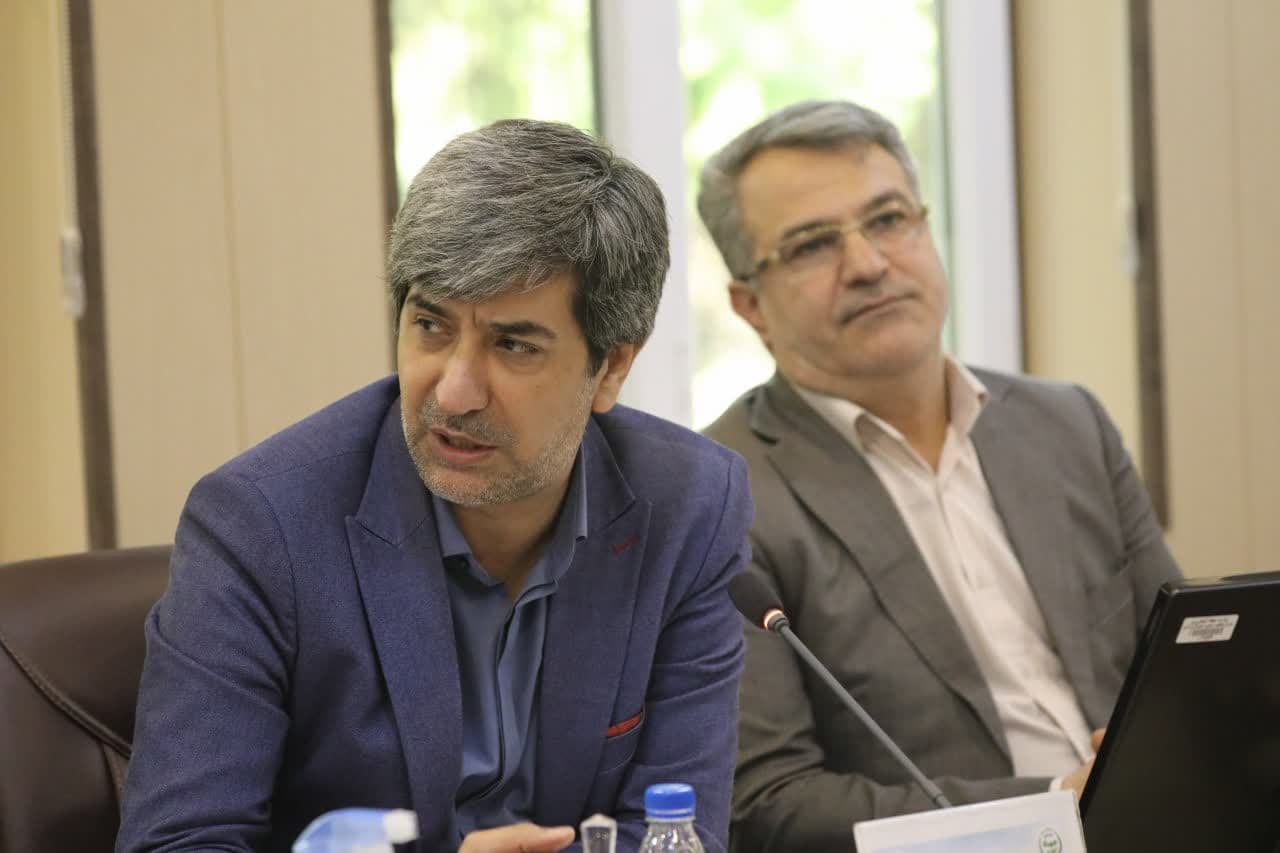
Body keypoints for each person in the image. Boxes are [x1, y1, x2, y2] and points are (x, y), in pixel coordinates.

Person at [117, 119, 752, 853]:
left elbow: (678, 832)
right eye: (430, 325)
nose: (453, 392)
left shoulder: (689, 505)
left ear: (610, 367)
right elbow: (179, 843)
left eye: (512, 344)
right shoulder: (260, 525)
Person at [697, 100, 1182, 851]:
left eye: (889, 219)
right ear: (749, 304)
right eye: (812, 245)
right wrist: (1054, 804)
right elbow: (771, 805)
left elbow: (1188, 662)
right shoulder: (720, 497)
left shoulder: (1067, 424)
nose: (869, 264)